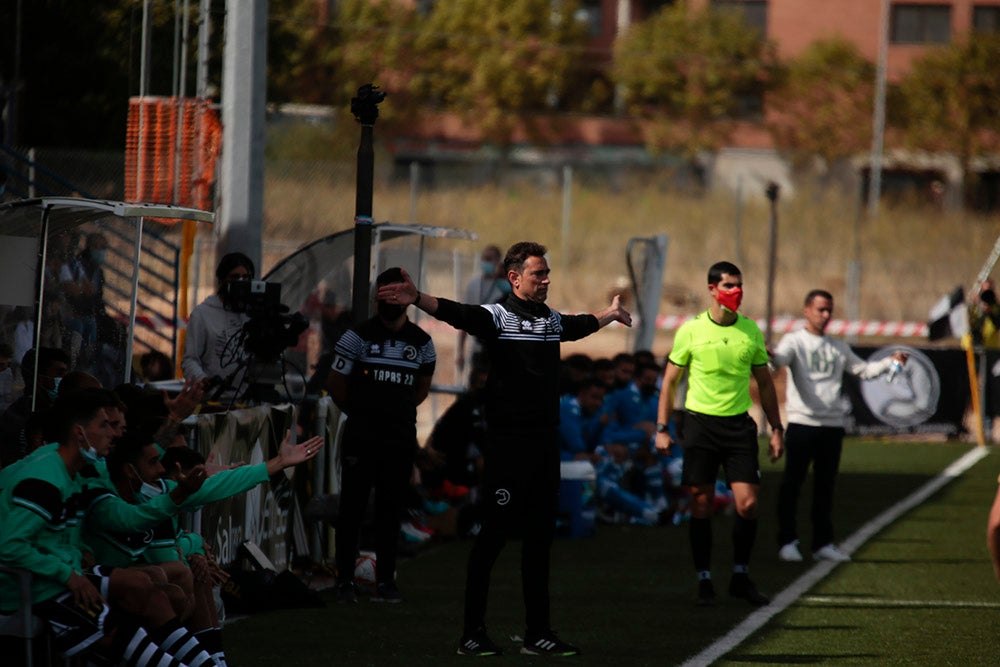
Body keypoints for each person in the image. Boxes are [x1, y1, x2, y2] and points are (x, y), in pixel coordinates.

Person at [376, 241, 632, 657]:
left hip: (544, 446)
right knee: (492, 538)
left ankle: (538, 634)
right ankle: (472, 634)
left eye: (548, 273)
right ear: (515, 278)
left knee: (539, 540)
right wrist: (418, 298)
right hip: (508, 446)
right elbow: (460, 313)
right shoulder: (498, 315)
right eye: (539, 273)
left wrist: (609, 314)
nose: (546, 279)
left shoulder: (549, 320)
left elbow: (576, 324)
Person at [0, 388, 218, 666]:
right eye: (105, 425)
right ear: (80, 433)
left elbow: (120, 509)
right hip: (33, 587)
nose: (115, 434)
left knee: (139, 589)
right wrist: (69, 575)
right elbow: (9, 545)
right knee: (114, 631)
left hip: (56, 576)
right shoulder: (45, 479)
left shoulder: (77, 471)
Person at [655, 261, 783, 607]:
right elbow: (669, 381)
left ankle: (740, 576)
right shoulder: (691, 330)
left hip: (739, 427)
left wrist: (776, 428)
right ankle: (705, 580)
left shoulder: (750, 331)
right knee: (701, 504)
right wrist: (663, 428)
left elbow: (766, 385)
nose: (735, 292)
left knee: (749, 504)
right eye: (728, 286)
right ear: (712, 289)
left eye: (739, 285)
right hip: (700, 425)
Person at [769, 289, 908, 563]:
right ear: (806, 310)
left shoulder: (837, 346)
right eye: (820, 309)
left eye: (829, 310)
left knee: (825, 486)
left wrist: (890, 362)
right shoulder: (794, 341)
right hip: (802, 423)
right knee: (792, 485)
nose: (825, 315)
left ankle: (822, 543)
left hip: (831, 426)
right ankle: (787, 541)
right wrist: (769, 354)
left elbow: (863, 370)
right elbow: (779, 360)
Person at [327, 267, 437, 605]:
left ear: (407, 297)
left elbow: (420, 390)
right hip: (361, 436)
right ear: (377, 296)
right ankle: (344, 580)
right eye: (385, 293)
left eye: (397, 293)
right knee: (352, 509)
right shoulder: (356, 337)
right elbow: (336, 386)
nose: (391, 300)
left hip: (399, 439)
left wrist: (394, 414)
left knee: (392, 510)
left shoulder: (422, 343)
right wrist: (364, 414)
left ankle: (386, 582)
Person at [182, 252, 255, 402]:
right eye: (235, 277)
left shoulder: (254, 314)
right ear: (222, 280)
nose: (240, 282)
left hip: (249, 403)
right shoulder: (202, 314)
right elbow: (190, 359)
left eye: (245, 277)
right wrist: (203, 380)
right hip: (213, 402)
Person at [456, 244, 507, 375]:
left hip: (499, 349)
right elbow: (464, 317)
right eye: (484, 258)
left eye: (489, 259)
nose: (485, 262)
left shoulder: (503, 285)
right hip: (478, 349)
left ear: (498, 261)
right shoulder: (473, 284)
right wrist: (460, 351)